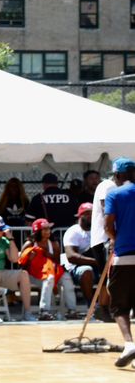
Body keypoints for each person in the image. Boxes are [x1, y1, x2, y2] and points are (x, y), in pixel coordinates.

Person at [103, 157, 135, 368]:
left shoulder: (113, 193)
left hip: (124, 256)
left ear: (117, 175)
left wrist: (117, 239)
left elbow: (107, 226)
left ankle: (130, 344)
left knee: (119, 306)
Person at [20, 218, 78, 321]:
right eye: (44, 229)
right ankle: (44, 311)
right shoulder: (29, 244)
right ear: (38, 231)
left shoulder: (54, 244)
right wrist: (29, 259)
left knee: (67, 278)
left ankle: (71, 310)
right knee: (49, 278)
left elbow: (57, 262)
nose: (48, 231)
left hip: (50, 271)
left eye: (48, 228)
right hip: (33, 275)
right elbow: (20, 265)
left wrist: (49, 255)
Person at [91, 164, 124, 322]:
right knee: (107, 274)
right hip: (104, 237)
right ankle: (101, 307)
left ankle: (103, 307)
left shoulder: (112, 186)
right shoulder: (108, 185)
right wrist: (113, 237)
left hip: (107, 235)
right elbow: (107, 209)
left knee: (106, 275)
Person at [63, 202, 108, 309]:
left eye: (92, 213)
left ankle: (110, 306)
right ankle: (91, 305)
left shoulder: (98, 230)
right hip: (76, 268)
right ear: (80, 215)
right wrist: (95, 261)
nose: (90, 216)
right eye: (86, 213)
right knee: (86, 270)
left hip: (98, 266)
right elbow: (71, 256)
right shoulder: (73, 231)